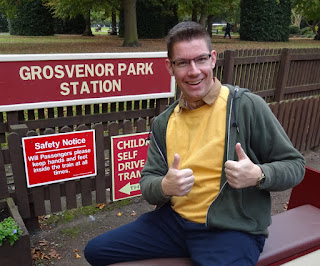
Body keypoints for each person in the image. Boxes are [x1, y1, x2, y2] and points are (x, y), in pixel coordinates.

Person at [84, 21, 305, 266]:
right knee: (96, 251)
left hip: (231, 230)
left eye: (200, 59)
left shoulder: (245, 106)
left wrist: (259, 174)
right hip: (174, 223)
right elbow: (148, 183)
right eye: (182, 62)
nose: (193, 71)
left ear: (212, 59)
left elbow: (295, 165)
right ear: (170, 66)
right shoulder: (164, 122)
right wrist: (165, 186)